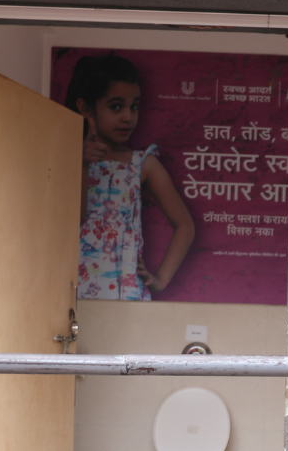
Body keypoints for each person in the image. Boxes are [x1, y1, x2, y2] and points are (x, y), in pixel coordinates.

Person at [62, 54, 197, 300]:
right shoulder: (62, 158)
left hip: (127, 294)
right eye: (116, 106)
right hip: (70, 291)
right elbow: (73, 221)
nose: (128, 116)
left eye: (133, 106)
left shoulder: (142, 164)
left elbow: (185, 226)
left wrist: (160, 280)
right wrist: (80, 162)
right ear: (85, 108)